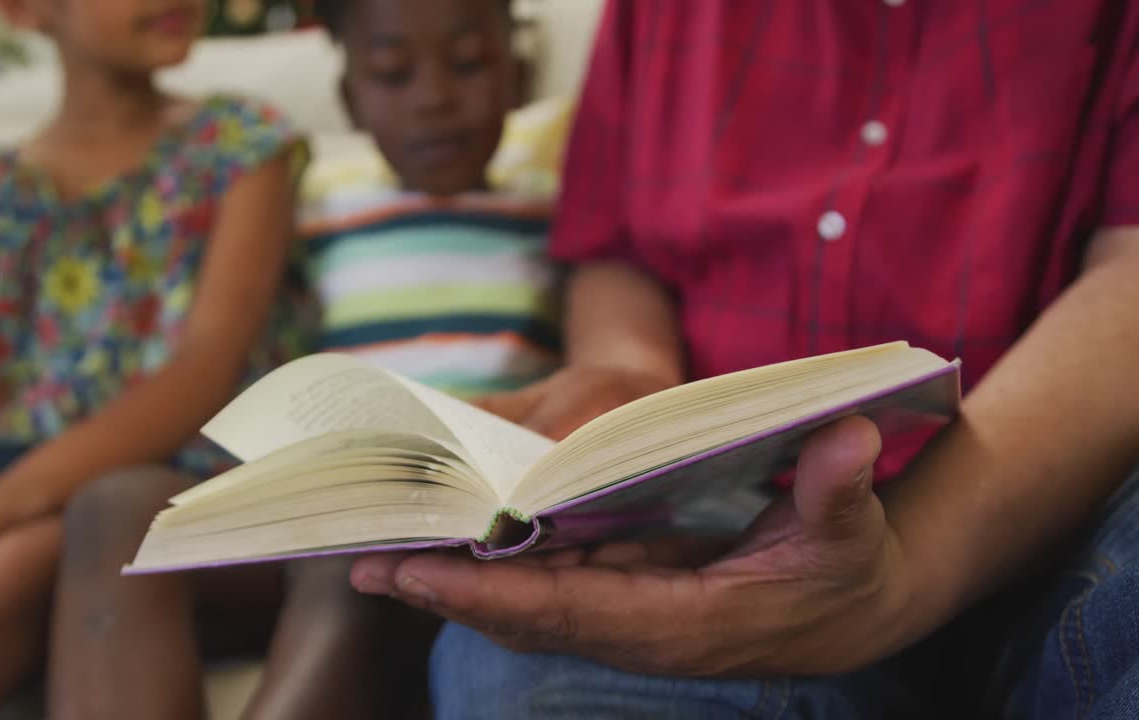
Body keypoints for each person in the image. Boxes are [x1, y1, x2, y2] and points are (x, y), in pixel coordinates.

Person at [350, 1, 1139, 717]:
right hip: (719, 519)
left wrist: (903, 574)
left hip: (1065, 502)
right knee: (522, 669)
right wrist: (634, 382)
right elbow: (617, 250)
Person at [46, 0, 562, 718]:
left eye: (471, 64)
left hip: (459, 531)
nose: (434, 97)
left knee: (349, 544)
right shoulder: (317, 210)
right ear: (351, 98)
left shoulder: (557, 217)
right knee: (115, 503)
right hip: (312, 504)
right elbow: (257, 351)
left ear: (520, 76)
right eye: (392, 72)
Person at [0, 0, 307, 716]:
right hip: (1, 452)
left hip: (165, 471)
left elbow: (202, 370)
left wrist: (2, 501)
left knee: (16, 557)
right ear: (23, 9)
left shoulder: (240, 146)